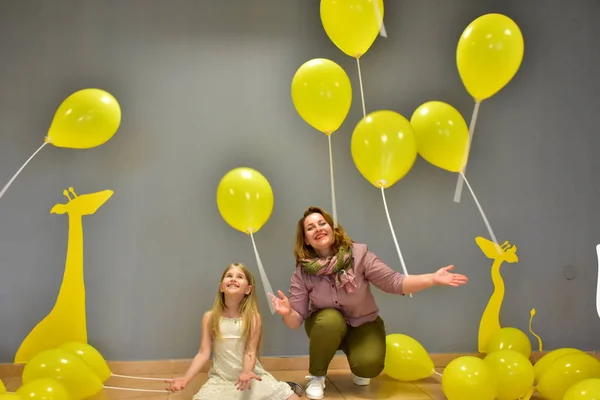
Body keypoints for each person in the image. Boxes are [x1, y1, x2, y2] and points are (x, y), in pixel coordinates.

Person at [271, 207, 469, 400]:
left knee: (369, 368)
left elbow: (394, 282)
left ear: (332, 228)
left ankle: (359, 359)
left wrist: (432, 278)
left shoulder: (359, 255)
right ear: (306, 239)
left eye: (322, 223)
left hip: (363, 323)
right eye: (311, 227)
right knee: (330, 319)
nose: (318, 229)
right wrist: (287, 312)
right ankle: (317, 376)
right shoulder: (303, 272)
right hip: (327, 327)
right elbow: (295, 321)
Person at [167, 263, 299, 400]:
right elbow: (203, 353)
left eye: (239, 277)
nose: (233, 279)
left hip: (249, 377)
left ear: (248, 289)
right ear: (221, 287)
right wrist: (185, 379)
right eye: (229, 276)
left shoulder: (253, 318)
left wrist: (247, 372)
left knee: (291, 398)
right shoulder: (210, 317)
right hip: (221, 380)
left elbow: (250, 351)